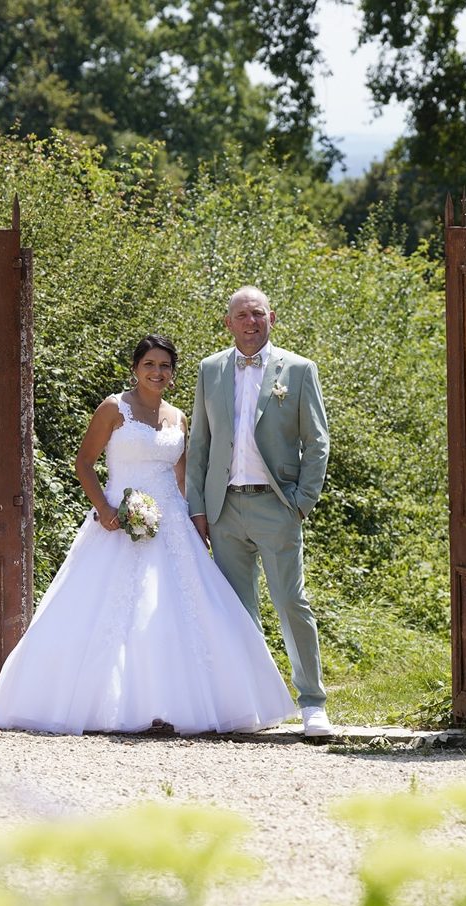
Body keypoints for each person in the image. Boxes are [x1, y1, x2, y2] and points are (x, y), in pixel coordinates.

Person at [0, 334, 296, 735]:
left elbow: (183, 477)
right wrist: (104, 509)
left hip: (172, 524)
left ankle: (178, 705)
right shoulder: (114, 408)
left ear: (173, 373)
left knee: (182, 609)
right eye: (149, 364)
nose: (157, 372)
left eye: (165, 366)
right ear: (135, 368)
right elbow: (84, 463)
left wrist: (196, 520)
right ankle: (100, 705)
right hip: (118, 520)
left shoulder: (178, 417)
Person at [186, 286, 332, 737]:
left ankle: (312, 703)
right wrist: (198, 509)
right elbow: (199, 444)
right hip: (224, 508)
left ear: (272, 317)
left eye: (257, 314)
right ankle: (251, 703)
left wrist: (302, 503)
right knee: (236, 610)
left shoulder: (299, 370)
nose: (250, 322)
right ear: (228, 322)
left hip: (277, 505)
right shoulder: (210, 369)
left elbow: (317, 442)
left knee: (290, 602)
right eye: (242, 315)